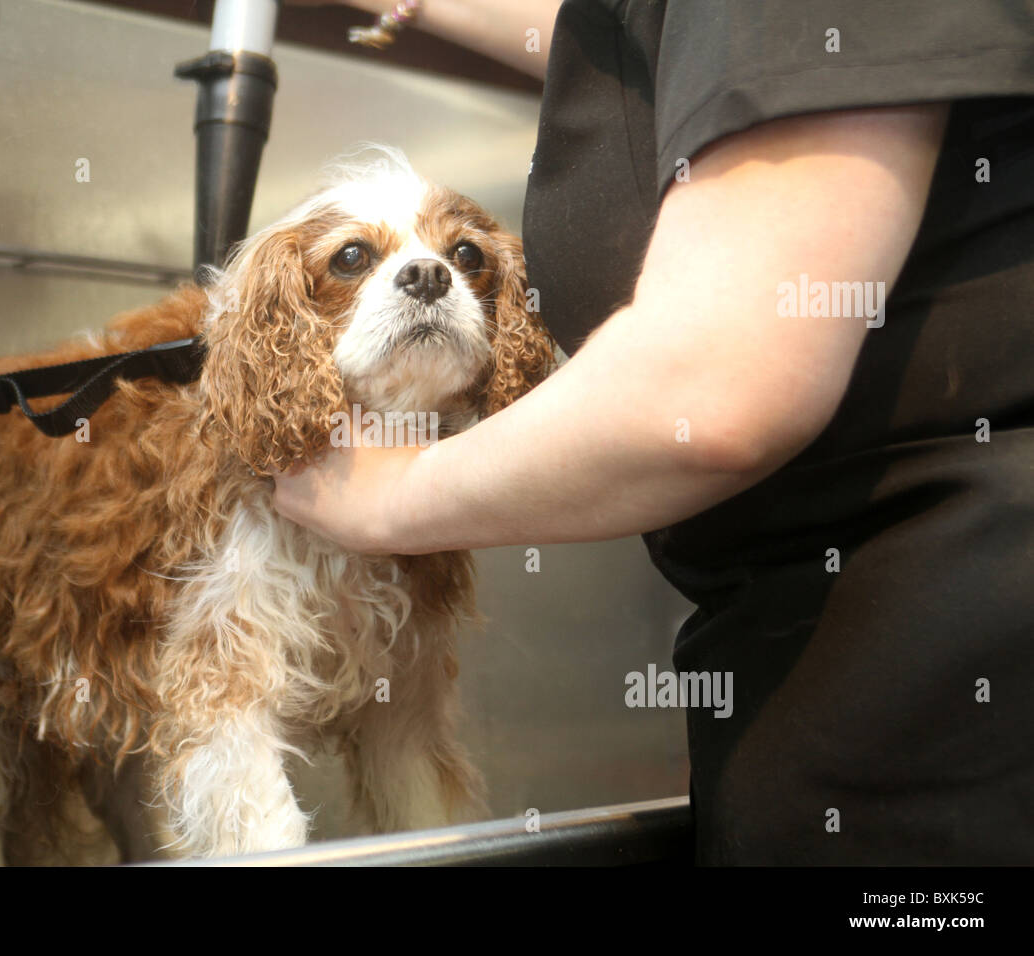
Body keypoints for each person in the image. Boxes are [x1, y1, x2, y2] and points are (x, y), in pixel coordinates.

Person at [274, 1, 1034, 864]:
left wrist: (388, 497)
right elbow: (641, 36)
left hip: (944, 665)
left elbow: (719, 384)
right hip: (848, 657)